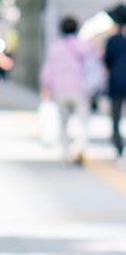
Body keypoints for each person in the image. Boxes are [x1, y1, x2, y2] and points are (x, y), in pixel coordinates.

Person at [40, 15, 97, 165]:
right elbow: (92, 67)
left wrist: (46, 86)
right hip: (80, 88)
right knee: (83, 121)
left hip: (60, 89)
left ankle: (65, 154)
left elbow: (48, 69)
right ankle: (81, 148)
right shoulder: (84, 47)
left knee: (63, 122)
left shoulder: (55, 47)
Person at [104, 4, 126, 165]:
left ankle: (119, 148)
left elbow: (107, 61)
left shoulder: (113, 40)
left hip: (117, 82)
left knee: (116, 117)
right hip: (118, 82)